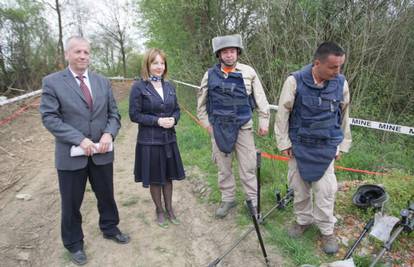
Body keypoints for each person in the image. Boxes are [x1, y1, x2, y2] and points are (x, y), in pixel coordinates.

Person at [40, 36, 129, 266]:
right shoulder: (52, 82)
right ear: (67, 55)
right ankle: (74, 243)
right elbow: (50, 118)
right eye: (77, 52)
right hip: (71, 156)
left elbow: (114, 114)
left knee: (106, 195)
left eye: (86, 52)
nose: (82, 56)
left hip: (102, 152)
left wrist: (109, 133)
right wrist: (79, 140)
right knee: (71, 202)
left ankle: (110, 228)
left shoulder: (102, 82)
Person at [274, 42, 352, 254]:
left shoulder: (341, 84)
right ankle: (303, 220)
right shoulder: (295, 81)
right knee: (299, 189)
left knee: (326, 191)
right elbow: (282, 114)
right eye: (333, 67)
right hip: (299, 146)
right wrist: (284, 143)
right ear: (317, 63)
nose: (338, 72)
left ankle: (326, 230)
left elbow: (345, 116)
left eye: (340, 66)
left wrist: (342, 145)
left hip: (326, 148)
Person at [197, 34, 270, 218]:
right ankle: (228, 198)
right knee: (224, 167)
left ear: (237, 52)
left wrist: (264, 121)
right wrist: (207, 126)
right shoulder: (210, 75)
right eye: (224, 52)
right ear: (219, 55)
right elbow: (201, 104)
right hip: (219, 128)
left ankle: (252, 201)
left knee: (248, 166)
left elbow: (261, 98)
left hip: (243, 127)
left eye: (232, 51)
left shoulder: (249, 72)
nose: (229, 55)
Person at [129, 48, 185, 229]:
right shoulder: (139, 87)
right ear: (148, 65)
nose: (159, 67)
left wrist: (174, 119)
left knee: (168, 177)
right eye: (155, 63)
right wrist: (157, 121)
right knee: (155, 178)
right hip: (149, 141)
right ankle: (159, 209)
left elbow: (177, 110)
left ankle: (170, 208)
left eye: (162, 63)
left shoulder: (170, 86)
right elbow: (134, 115)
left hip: (169, 139)